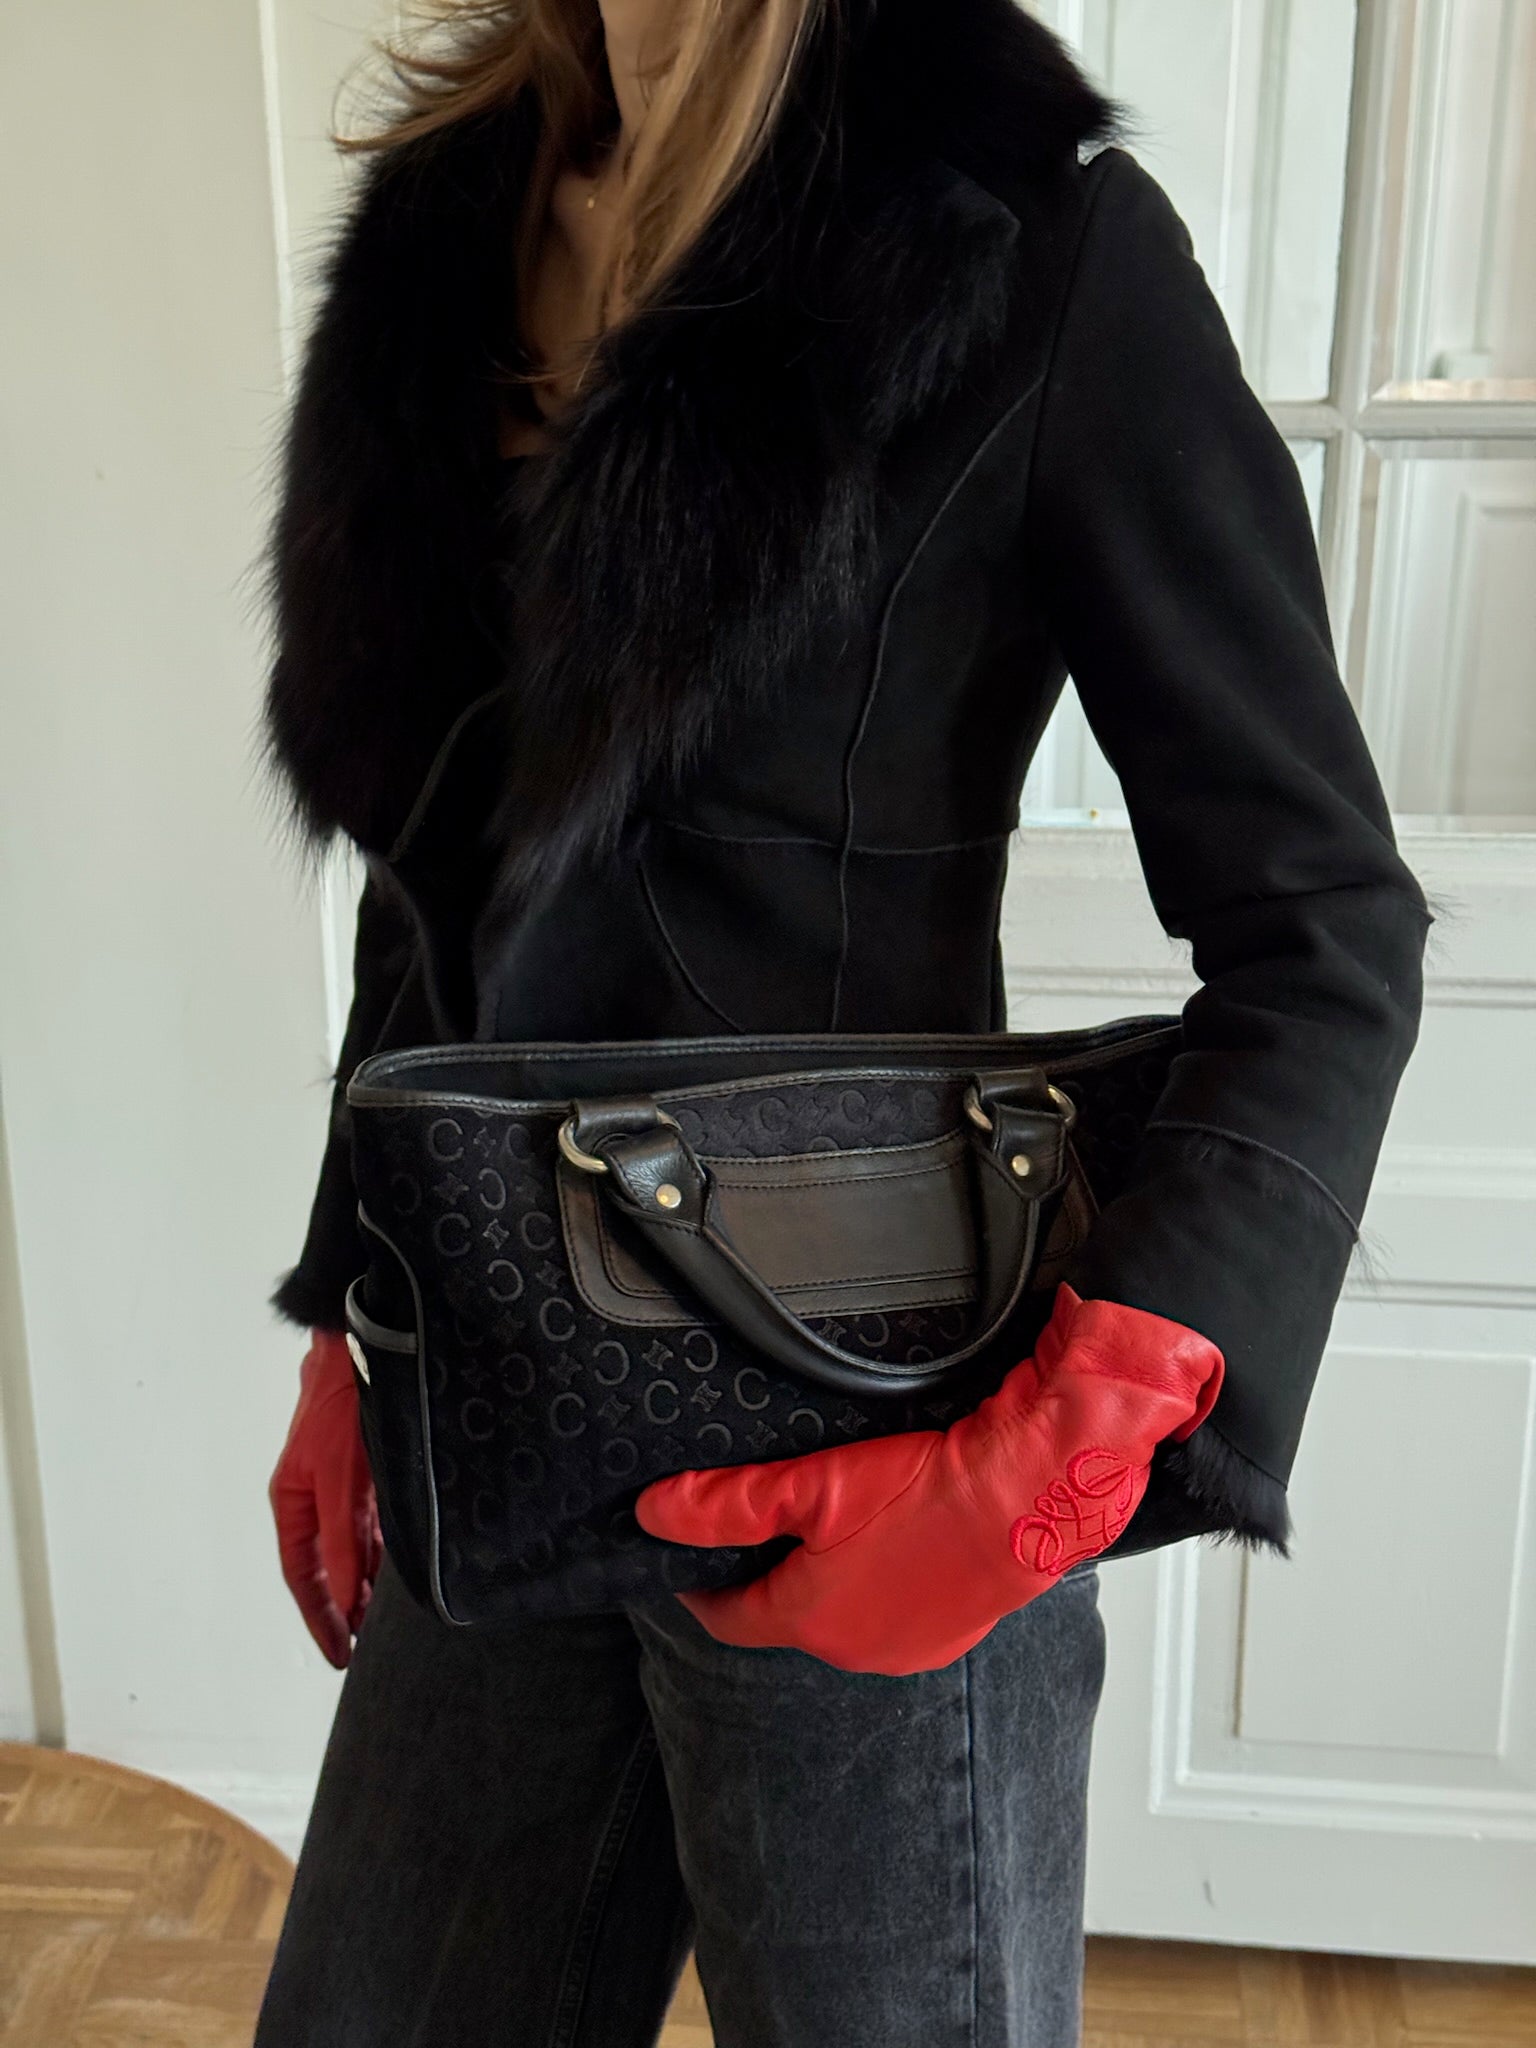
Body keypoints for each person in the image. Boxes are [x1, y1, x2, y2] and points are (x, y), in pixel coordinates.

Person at [255, 1, 1430, 2041]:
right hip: (496, 1402)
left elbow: (1323, 924)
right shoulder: (453, 230)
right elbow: (443, 872)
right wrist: (356, 1310)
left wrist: (1045, 1471)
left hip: (875, 1426)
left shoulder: (1024, 240)